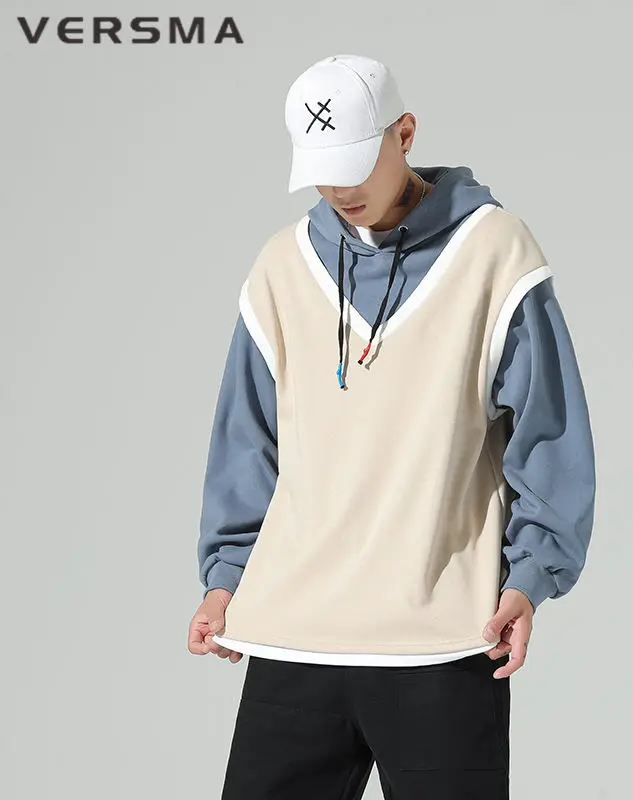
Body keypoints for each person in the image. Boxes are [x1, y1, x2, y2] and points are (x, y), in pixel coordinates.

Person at [187, 53, 596, 800]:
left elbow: (548, 432)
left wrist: (530, 578)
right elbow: (246, 439)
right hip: (295, 632)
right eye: (321, 170)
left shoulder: (495, 252)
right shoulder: (281, 267)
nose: (339, 189)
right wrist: (225, 580)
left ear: (404, 133)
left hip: (440, 640)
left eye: (354, 163)